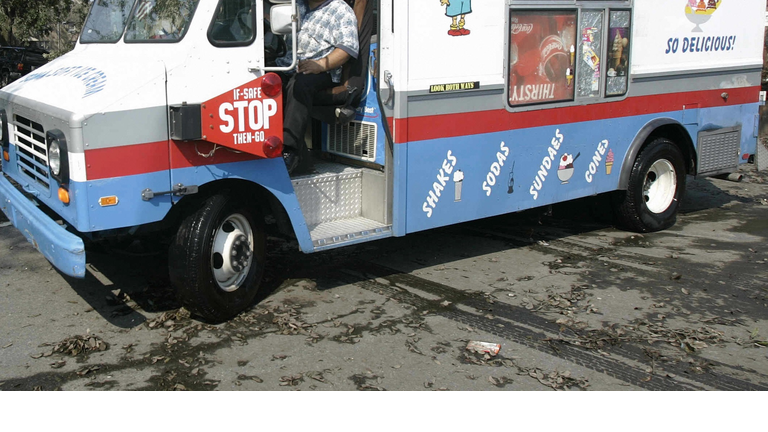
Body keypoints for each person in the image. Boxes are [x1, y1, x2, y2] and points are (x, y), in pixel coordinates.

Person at [276, 0, 359, 174]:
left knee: (300, 85)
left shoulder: (340, 9)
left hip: (323, 71)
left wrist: (321, 65)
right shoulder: (296, 6)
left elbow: (348, 48)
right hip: (289, 65)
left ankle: (289, 151)